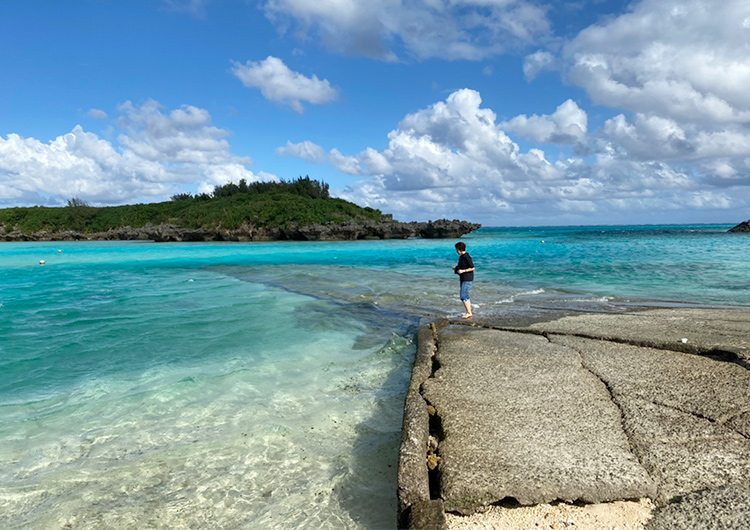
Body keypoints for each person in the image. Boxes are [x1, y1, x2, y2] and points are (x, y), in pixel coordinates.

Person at [452, 241, 475, 319]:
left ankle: (469, 312)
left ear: (459, 249)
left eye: (456, 249)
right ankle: (468, 312)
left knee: (463, 295)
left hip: (467, 278)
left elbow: (472, 268)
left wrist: (463, 271)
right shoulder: (461, 257)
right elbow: (462, 266)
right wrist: (456, 268)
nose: (456, 251)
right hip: (463, 278)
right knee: (465, 295)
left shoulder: (466, 257)